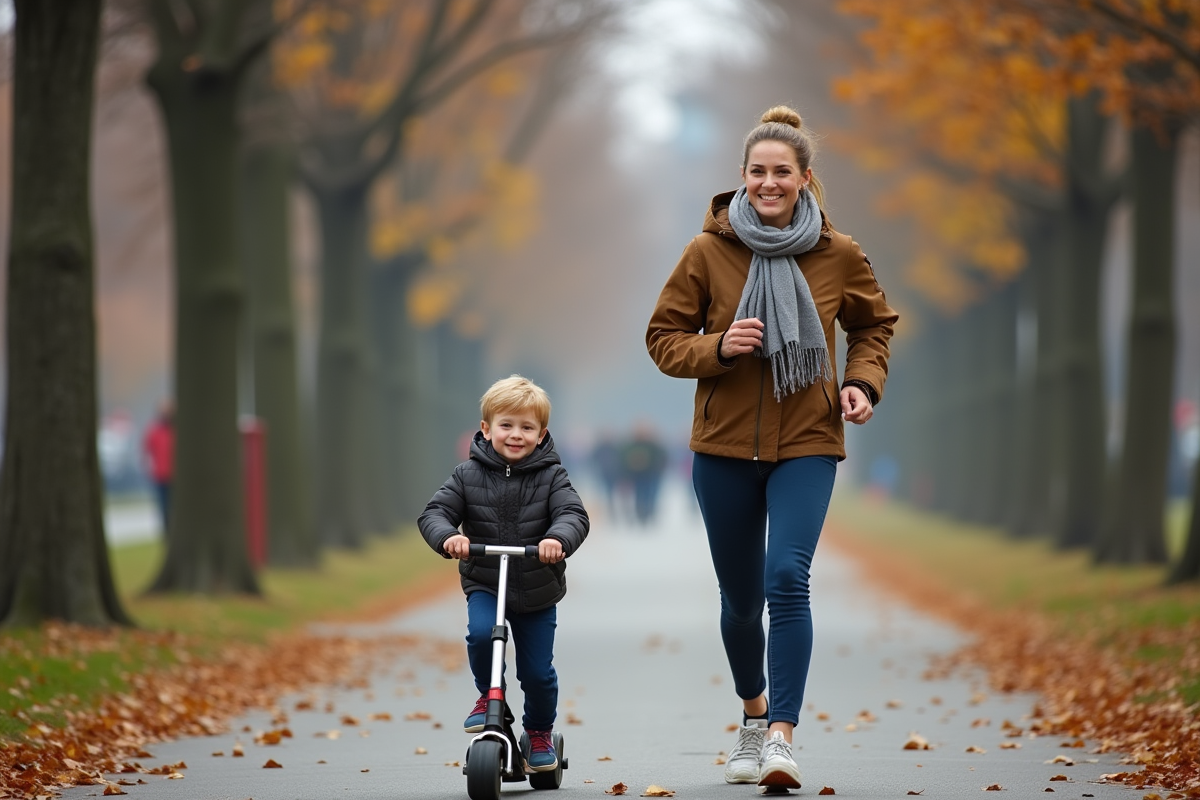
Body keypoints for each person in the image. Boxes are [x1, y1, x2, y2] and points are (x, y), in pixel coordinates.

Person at [646, 105, 897, 790]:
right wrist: (719, 347)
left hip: (808, 441)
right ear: (742, 177)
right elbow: (662, 338)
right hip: (723, 448)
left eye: (781, 172)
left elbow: (874, 327)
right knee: (739, 599)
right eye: (758, 172)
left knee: (788, 577)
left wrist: (862, 384)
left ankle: (782, 736)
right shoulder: (707, 252)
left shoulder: (838, 253)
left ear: (805, 178)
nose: (769, 182)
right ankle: (753, 715)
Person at [418, 375, 590, 773]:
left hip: (537, 587)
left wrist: (557, 540)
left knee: (537, 672)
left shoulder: (552, 476)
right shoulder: (466, 475)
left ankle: (540, 732)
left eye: (527, 427)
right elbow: (435, 513)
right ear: (486, 429)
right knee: (481, 636)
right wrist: (448, 538)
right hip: (485, 581)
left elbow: (572, 515)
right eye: (506, 425)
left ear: (541, 433)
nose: (516, 435)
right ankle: (487, 697)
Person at [142, 401, 175, 535]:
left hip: (176, 476)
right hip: (161, 476)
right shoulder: (154, 431)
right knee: (164, 508)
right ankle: (167, 533)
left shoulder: (176, 430)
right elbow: (146, 452)